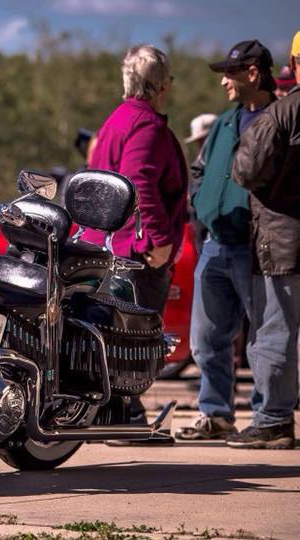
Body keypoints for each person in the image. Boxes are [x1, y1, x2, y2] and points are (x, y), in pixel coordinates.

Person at [80, 45, 188, 443]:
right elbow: (138, 181)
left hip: (109, 244)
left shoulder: (116, 120)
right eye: (170, 80)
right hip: (134, 251)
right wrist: (159, 240)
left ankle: (122, 414)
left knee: (116, 334)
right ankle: (123, 416)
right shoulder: (145, 125)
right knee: (136, 337)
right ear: (161, 84)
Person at [176, 40, 276, 441]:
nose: (224, 82)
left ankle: (268, 417)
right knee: (207, 339)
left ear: (253, 73)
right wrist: (201, 203)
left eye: (230, 73)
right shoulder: (224, 123)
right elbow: (198, 172)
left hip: (255, 247)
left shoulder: (277, 119)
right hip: (215, 244)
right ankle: (216, 414)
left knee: (263, 339)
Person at [229, 31, 300, 449]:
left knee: (275, 331)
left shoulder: (283, 113)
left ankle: (274, 418)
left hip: (283, 241)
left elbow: (247, 171)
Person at [184, 113, 218, 255]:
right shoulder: (199, 165)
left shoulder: (223, 165)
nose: (200, 145)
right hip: (201, 235)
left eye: (203, 140)